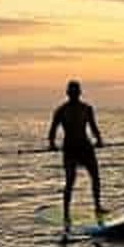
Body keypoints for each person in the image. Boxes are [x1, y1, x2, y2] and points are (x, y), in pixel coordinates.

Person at [48, 80, 104, 232]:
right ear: (68, 93)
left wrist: (99, 139)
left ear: (79, 93)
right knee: (70, 181)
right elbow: (52, 130)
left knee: (96, 178)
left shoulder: (87, 109)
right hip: (70, 149)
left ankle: (98, 207)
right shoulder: (61, 110)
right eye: (71, 92)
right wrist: (52, 144)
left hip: (86, 148)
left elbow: (93, 127)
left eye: (76, 91)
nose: (73, 94)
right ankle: (66, 212)